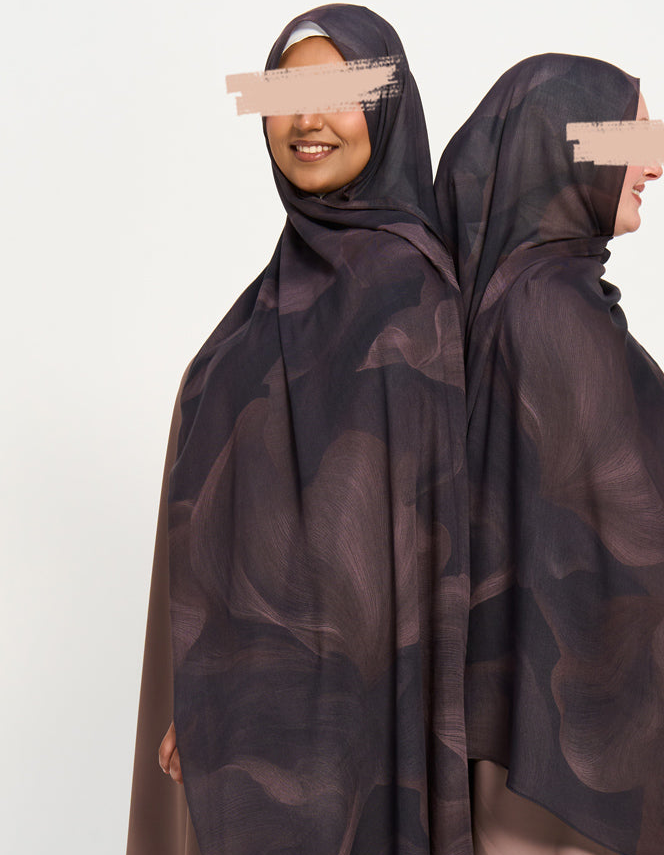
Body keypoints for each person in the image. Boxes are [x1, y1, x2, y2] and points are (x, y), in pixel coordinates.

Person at [125, 6, 472, 854]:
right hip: (242, 738)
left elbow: (411, 555)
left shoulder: (418, 303)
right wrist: (210, 694)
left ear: (388, 107)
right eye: (286, 96)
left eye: (340, 94)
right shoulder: (266, 303)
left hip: (363, 744)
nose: (306, 120)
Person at [434, 54, 664, 855]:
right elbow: (626, 540)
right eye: (634, 138)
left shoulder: (496, 304)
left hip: (514, 724)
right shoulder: (551, 315)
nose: (654, 165)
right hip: (566, 762)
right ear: (563, 146)